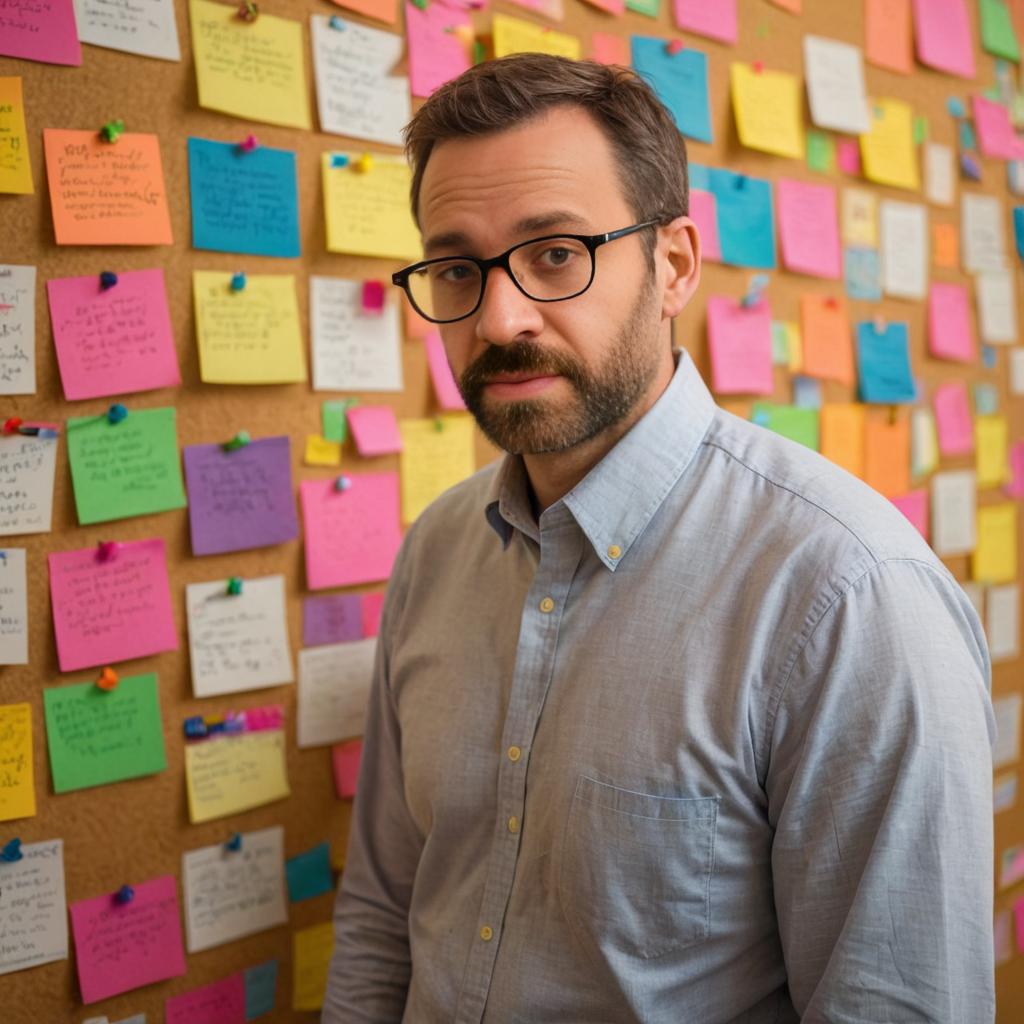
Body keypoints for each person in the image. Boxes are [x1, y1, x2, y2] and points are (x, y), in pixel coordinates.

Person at [322, 53, 995, 1024]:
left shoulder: (849, 594)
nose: (499, 316)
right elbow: (385, 912)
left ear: (673, 263)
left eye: (555, 253)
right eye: (458, 267)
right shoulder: (435, 550)